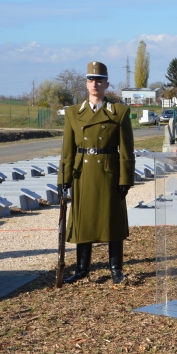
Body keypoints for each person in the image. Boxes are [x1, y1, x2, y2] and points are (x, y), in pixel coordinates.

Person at [57, 61, 135, 284]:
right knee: (84, 220)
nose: (95, 84)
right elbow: (68, 150)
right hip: (84, 174)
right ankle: (82, 268)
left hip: (109, 173)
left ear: (107, 84)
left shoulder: (119, 112)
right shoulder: (73, 113)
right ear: (86, 83)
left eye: (99, 80)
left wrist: (126, 178)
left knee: (113, 221)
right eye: (91, 80)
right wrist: (64, 178)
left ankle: (115, 269)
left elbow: (127, 149)